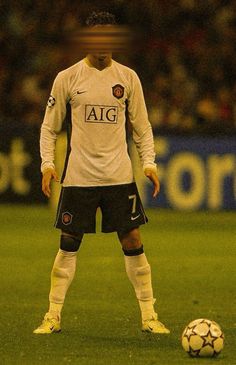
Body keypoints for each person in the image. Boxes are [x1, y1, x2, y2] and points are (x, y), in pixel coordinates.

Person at [34, 11, 170, 335]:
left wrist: (148, 163)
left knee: (133, 239)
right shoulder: (67, 78)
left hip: (119, 176)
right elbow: (48, 127)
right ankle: (52, 316)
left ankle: (149, 316)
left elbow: (142, 128)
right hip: (79, 176)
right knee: (68, 242)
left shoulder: (128, 78)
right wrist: (47, 164)